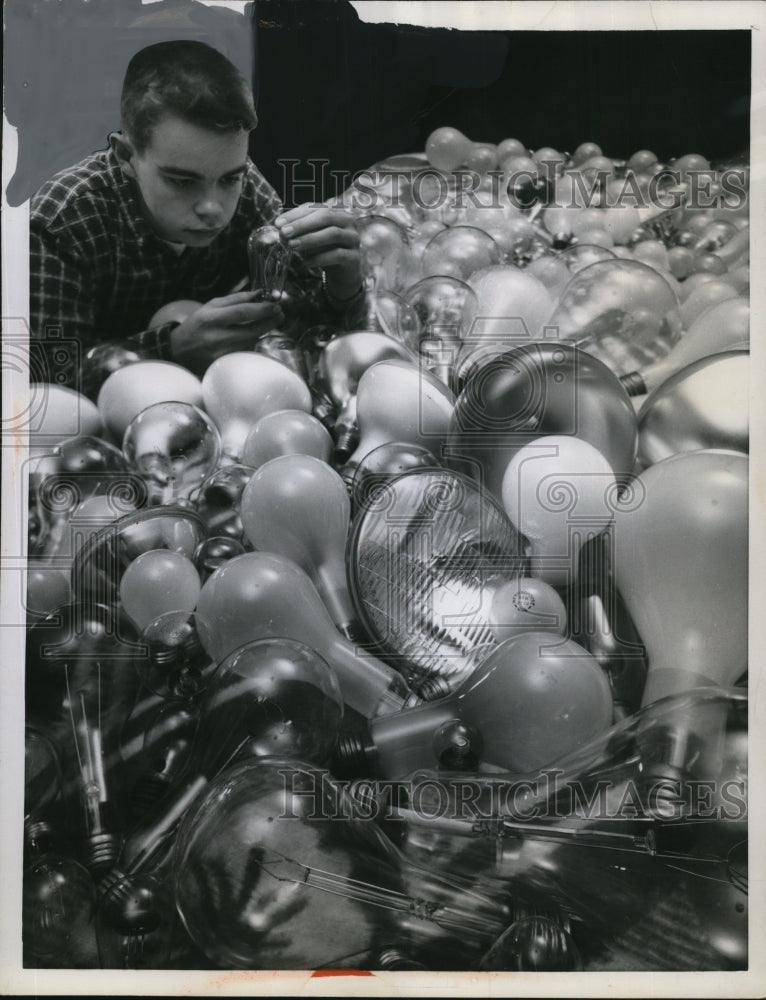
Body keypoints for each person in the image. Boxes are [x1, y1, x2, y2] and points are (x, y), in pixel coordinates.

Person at [30, 39, 364, 386]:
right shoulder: (63, 221)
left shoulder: (249, 191)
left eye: (230, 178)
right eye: (182, 181)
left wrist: (343, 284)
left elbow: (308, 331)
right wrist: (169, 349)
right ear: (126, 156)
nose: (213, 208)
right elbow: (42, 386)